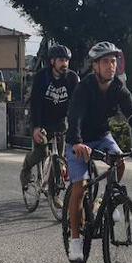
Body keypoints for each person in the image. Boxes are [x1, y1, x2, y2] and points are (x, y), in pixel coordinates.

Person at [64, 41, 132, 263]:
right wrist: (77, 143)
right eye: (106, 61)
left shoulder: (118, 87)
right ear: (95, 65)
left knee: (119, 162)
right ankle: (75, 240)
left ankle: (104, 202)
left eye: (114, 61)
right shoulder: (84, 87)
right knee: (80, 187)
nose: (111, 66)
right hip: (78, 140)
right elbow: (75, 116)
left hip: (101, 135)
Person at [20, 44, 80, 191]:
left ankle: (54, 193)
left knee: (59, 158)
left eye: (67, 60)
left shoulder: (72, 78)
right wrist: (36, 127)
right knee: (42, 152)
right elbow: (35, 103)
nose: (65, 63)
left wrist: (77, 124)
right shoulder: (42, 77)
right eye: (61, 60)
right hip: (42, 119)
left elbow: (77, 103)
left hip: (60, 121)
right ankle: (26, 167)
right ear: (52, 61)